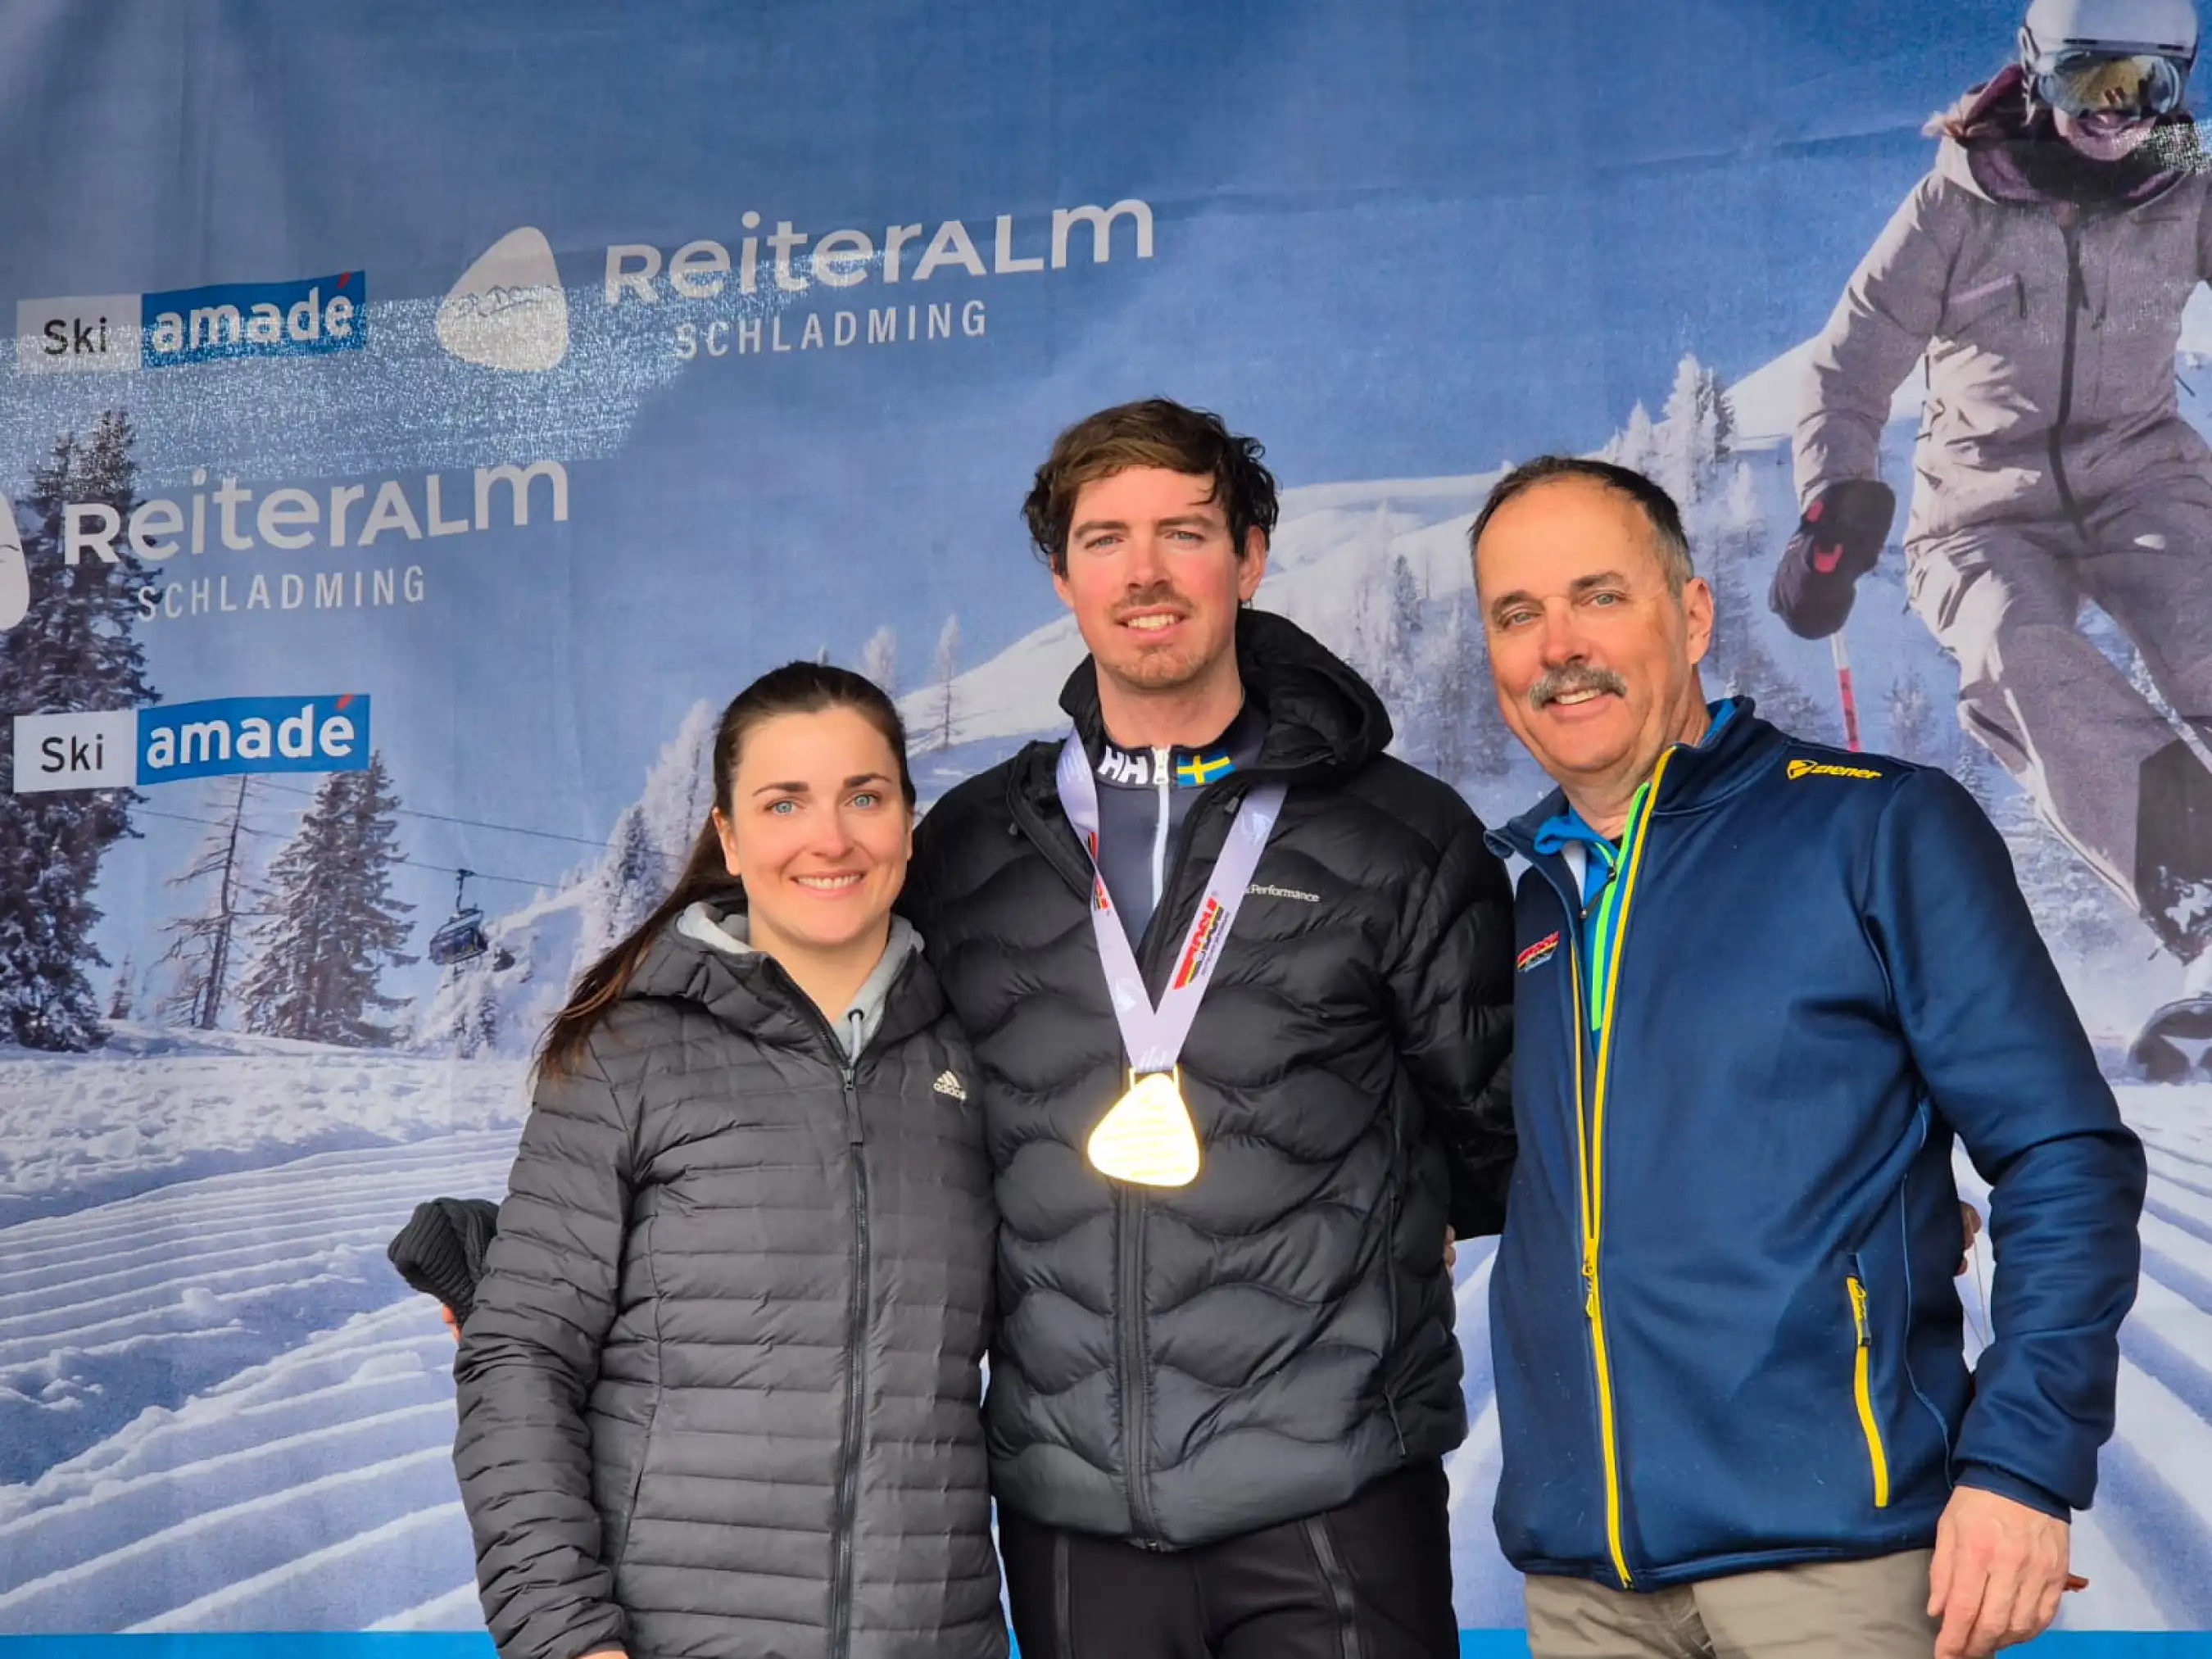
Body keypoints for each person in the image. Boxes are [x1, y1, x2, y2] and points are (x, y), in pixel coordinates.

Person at [1471, 456, 2146, 1659]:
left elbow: (2063, 1155)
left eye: (1598, 596)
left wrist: (2025, 1466)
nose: (1557, 644)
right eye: (1517, 614)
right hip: (1585, 1590)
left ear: (1689, 613)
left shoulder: (1874, 825)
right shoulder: (1525, 908)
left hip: (1837, 1574)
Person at [900, 397, 1516, 1658]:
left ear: (1250, 554)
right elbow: (851, 1105)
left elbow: (1496, 1135)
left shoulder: (1399, 833)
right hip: (1071, 1509)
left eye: (1185, 530)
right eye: (1104, 537)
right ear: (1061, 572)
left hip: (1334, 1493)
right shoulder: (968, 851)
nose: (1145, 571)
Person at [451, 663, 1002, 1659]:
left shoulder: (976, 1053)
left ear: (908, 826)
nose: (829, 837)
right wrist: (567, 1638)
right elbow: (520, 1361)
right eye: (784, 802)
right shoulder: (630, 1053)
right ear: (733, 837)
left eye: (863, 797)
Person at [1778, 0, 2212, 1077]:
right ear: (2034, 71)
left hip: (2144, 480)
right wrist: (1834, 498)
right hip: (1981, 508)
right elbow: (1850, 362)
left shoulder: (2186, 182)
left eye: (2144, 91)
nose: (2113, 118)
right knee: (2024, 655)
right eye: (2086, 84)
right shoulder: (1961, 196)